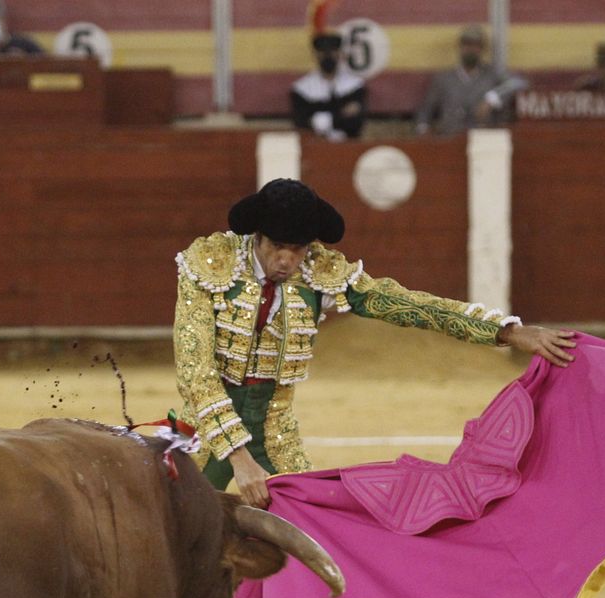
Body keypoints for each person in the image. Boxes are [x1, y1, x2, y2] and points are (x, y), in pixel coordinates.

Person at [172, 179, 577, 508]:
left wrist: (506, 331)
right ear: (257, 237)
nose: (286, 261)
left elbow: (406, 305)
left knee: (308, 534)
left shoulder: (319, 272)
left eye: (297, 250)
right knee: (173, 531)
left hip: (274, 431)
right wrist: (239, 459)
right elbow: (197, 372)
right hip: (204, 430)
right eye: (277, 247)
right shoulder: (209, 265)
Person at [413, 25, 527, 136]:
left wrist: (491, 99)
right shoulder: (443, 78)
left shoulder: (492, 74)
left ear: (482, 49)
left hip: (483, 141)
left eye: (476, 45)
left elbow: (519, 83)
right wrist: (423, 130)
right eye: (467, 44)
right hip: (450, 140)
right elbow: (425, 111)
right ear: (460, 47)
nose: (471, 49)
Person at [290, 32, 366, 142]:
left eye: (333, 51)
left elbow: (355, 124)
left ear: (340, 53)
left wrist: (317, 119)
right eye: (323, 51)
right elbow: (302, 123)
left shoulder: (355, 86)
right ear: (315, 55)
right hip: (314, 146)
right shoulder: (301, 88)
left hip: (347, 146)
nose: (328, 55)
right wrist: (341, 115)